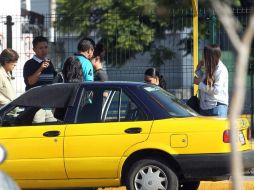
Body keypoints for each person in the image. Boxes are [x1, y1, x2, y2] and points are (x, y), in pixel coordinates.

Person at [23, 36, 57, 123]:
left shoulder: (49, 63)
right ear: (34, 49)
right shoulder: (29, 64)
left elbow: (53, 81)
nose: (44, 50)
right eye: (40, 48)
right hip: (35, 106)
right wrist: (40, 68)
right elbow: (30, 82)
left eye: (45, 47)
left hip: (49, 105)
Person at [194, 44, 228, 117]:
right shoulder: (209, 66)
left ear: (209, 56)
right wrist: (198, 69)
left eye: (203, 55)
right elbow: (205, 81)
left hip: (217, 107)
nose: (202, 57)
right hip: (204, 107)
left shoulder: (220, 70)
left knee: (217, 128)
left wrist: (199, 83)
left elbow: (216, 90)